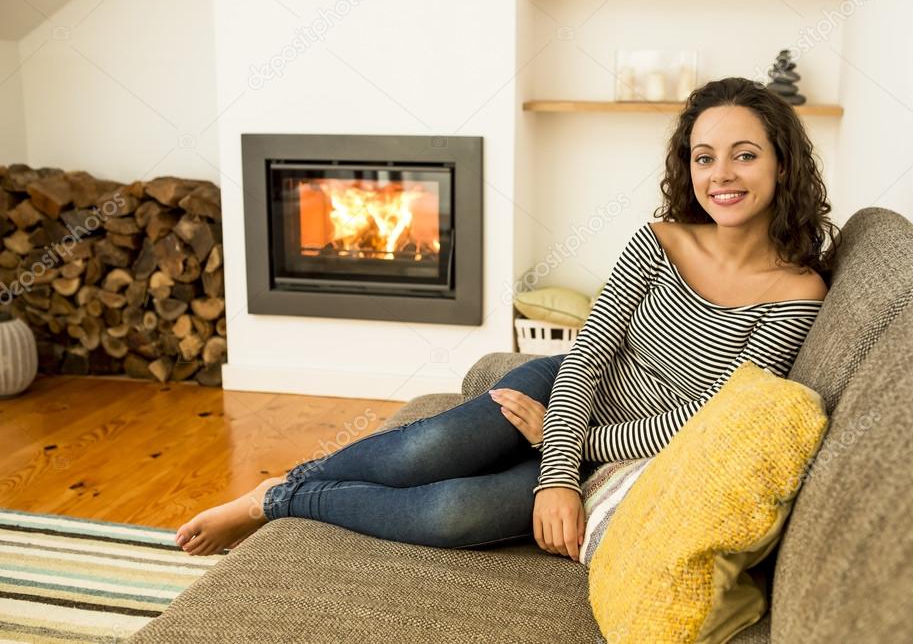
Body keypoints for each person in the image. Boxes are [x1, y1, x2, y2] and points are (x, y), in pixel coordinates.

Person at [174, 76, 841, 562]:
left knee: (454, 512)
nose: (720, 174)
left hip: (616, 452)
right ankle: (276, 489)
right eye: (704, 156)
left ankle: (284, 501)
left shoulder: (795, 292)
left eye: (743, 154)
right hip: (564, 395)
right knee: (421, 453)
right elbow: (587, 358)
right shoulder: (660, 240)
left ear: (782, 164)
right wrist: (557, 452)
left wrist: (564, 451)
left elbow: (707, 419)